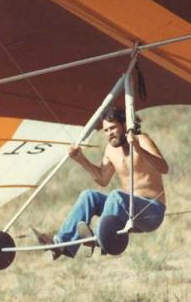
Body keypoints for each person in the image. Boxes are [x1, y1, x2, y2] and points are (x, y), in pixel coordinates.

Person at [32, 106, 168, 260]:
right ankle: (62, 243)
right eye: (106, 130)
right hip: (128, 213)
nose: (109, 134)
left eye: (113, 128)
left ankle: (98, 237)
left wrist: (138, 148)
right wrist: (80, 159)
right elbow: (103, 179)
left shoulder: (142, 140)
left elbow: (164, 168)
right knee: (89, 196)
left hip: (151, 212)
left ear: (124, 125)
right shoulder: (111, 150)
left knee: (116, 196)